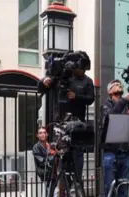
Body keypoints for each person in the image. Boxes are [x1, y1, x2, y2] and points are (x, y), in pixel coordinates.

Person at [38, 51, 95, 179]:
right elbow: (41, 87)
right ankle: (59, 190)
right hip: (59, 124)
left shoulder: (87, 81)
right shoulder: (63, 77)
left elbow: (91, 98)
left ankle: (75, 187)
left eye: (84, 68)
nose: (82, 71)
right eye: (81, 68)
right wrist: (44, 81)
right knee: (59, 162)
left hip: (77, 126)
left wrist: (76, 97)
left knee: (76, 159)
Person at [101, 79, 129, 197]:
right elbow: (111, 116)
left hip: (126, 152)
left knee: (124, 185)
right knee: (110, 185)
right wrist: (124, 100)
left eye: (120, 94)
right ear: (109, 93)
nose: (119, 97)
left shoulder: (127, 107)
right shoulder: (105, 107)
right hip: (111, 153)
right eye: (116, 94)